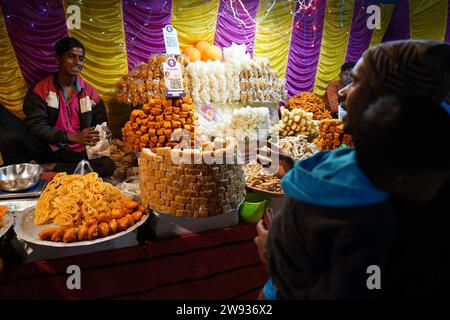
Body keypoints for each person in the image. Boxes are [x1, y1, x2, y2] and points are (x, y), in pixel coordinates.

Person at [256, 40, 450, 299]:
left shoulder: (394, 201)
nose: (343, 93)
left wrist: (276, 259)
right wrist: (295, 170)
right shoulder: (393, 170)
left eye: (356, 82)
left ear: (384, 100)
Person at [0, 37, 115, 177]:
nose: (77, 62)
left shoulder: (90, 93)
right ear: (58, 59)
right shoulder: (41, 89)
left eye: (81, 58)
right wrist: (72, 137)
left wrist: (97, 142)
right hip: (47, 148)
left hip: (77, 153)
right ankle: (26, 177)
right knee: (10, 140)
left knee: (106, 166)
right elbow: (36, 127)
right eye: (71, 57)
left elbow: (100, 127)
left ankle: (51, 167)